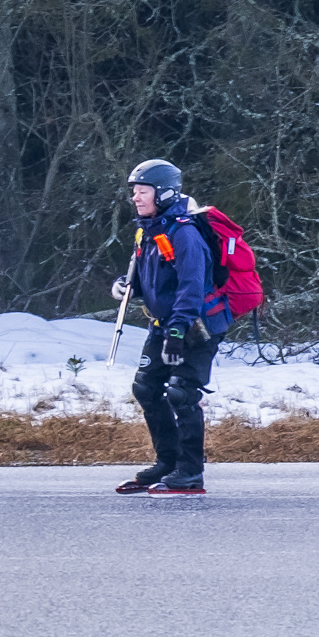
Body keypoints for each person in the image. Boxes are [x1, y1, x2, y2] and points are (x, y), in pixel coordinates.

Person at [115, 158, 227, 497]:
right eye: (134, 191)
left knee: (182, 392)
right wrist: (127, 285)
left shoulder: (185, 233)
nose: (135, 197)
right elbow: (153, 276)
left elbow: (191, 288)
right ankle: (168, 462)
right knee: (146, 388)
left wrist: (177, 333)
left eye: (143, 191)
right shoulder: (148, 230)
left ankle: (190, 472)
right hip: (163, 324)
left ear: (163, 193)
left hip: (195, 326)